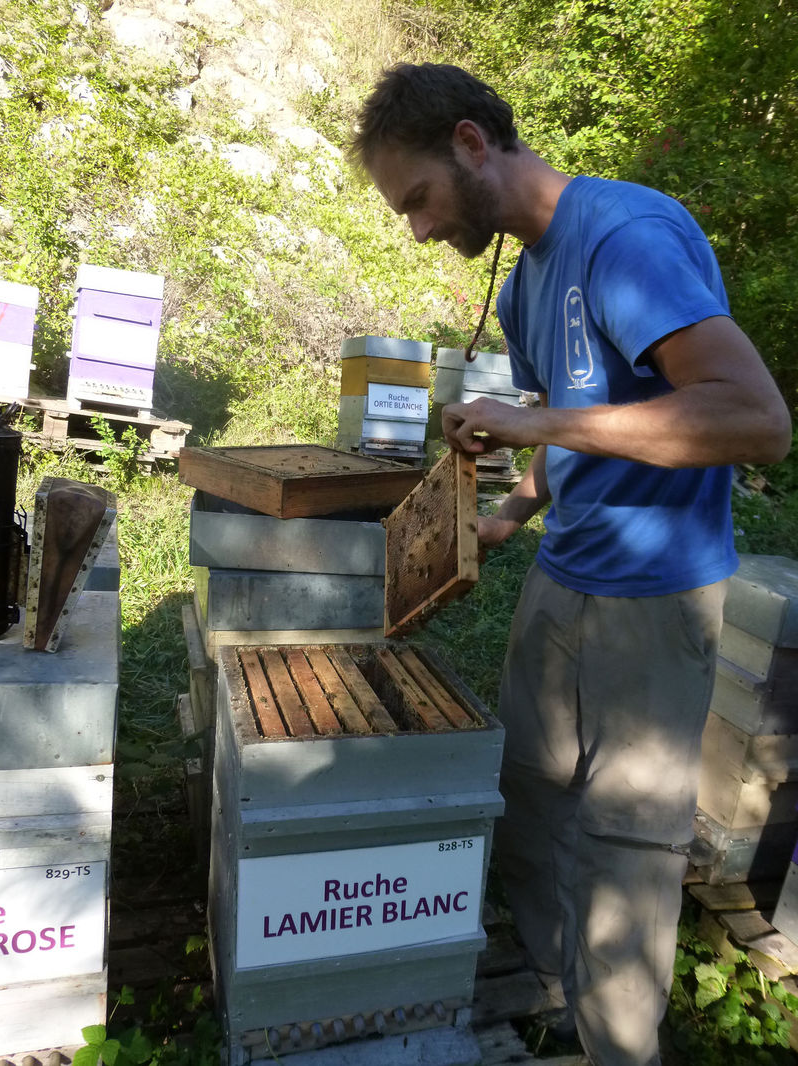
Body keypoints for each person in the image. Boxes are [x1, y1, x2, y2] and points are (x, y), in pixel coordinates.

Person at [350, 62, 792, 1066]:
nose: (415, 229)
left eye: (414, 199)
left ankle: (619, 1048)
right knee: (528, 793)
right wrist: (512, 504)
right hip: (564, 573)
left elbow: (754, 420)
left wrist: (535, 416)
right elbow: (569, 432)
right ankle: (557, 992)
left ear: (470, 143)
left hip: (656, 592)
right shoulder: (524, 284)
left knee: (624, 844)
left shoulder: (624, 239)